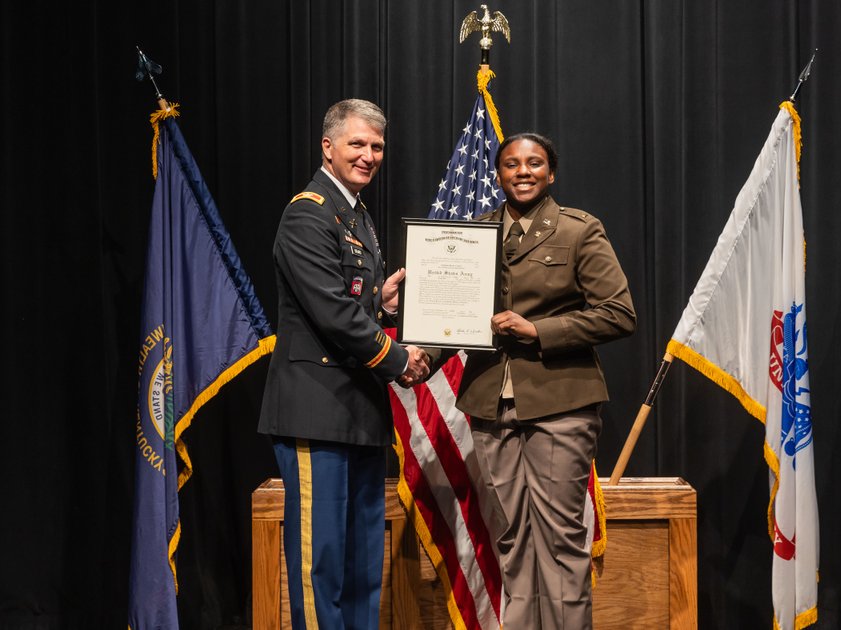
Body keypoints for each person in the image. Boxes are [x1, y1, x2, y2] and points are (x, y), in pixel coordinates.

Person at [258, 98, 430, 630]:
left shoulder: (355, 214)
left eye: (377, 146)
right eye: (357, 143)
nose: (369, 155)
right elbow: (330, 312)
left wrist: (381, 303)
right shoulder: (307, 211)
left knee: (361, 565)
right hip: (316, 408)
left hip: (357, 410)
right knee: (321, 562)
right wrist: (398, 358)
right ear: (328, 147)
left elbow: (347, 300)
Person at [456, 132, 636, 628]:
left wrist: (539, 330)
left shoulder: (579, 230)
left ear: (551, 173)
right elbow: (451, 313)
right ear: (498, 174)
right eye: (511, 164)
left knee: (560, 542)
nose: (523, 171)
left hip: (561, 403)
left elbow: (619, 314)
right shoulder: (473, 233)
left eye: (535, 163)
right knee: (511, 540)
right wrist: (421, 355)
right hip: (490, 405)